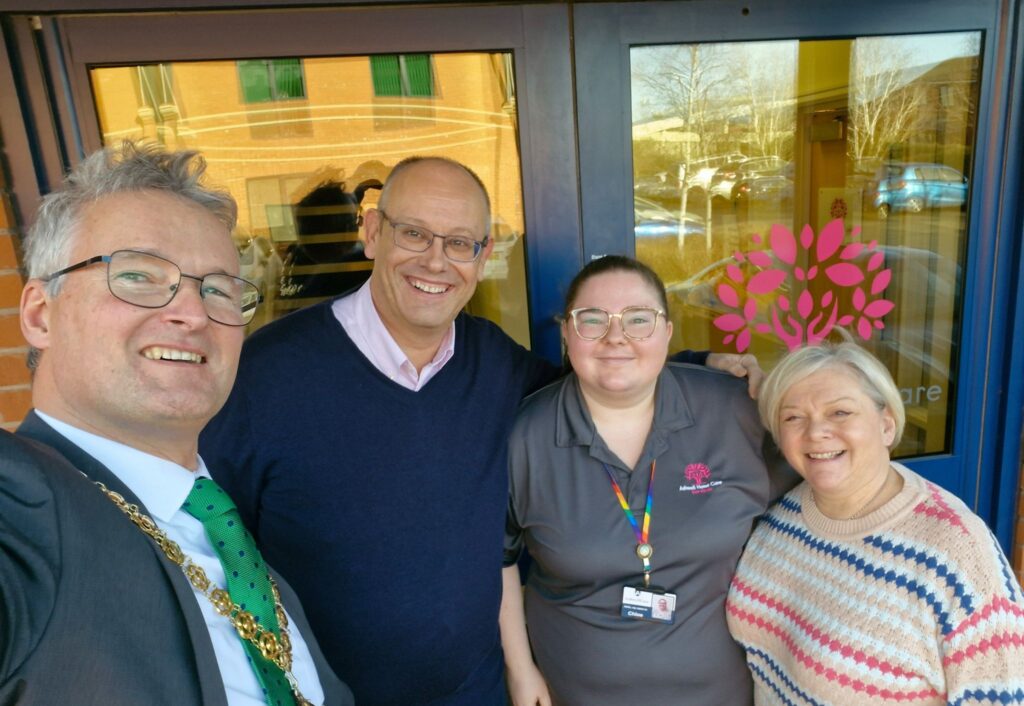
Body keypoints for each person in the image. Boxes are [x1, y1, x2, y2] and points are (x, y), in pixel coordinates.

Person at [200, 156, 761, 706]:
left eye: (460, 243)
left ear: (483, 256)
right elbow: (210, 542)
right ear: (372, 233)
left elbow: (596, 378)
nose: (436, 262)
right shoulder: (265, 375)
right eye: (414, 234)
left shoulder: (491, 360)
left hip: (480, 689)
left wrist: (695, 361)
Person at [1, 142, 353, 706]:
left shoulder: (217, 529)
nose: (191, 313)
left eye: (216, 289)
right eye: (139, 275)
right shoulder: (21, 508)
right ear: (41, 315)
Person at [499, 255, 796, 706]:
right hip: (573, 693)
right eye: (592, 320)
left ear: (668, 332)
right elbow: (498, 558)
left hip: (722, 692)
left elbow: (821, 480)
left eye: (639, 319)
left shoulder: (737, 410)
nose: (616, 336)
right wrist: (520, 672)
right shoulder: (527, 435)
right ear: (566, 333)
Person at [727, 342, 1024, 704]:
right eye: (793, 417)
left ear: (886, 426)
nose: (816, 431)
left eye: (840, 412)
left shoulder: (956, 551)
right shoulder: (781, 513)